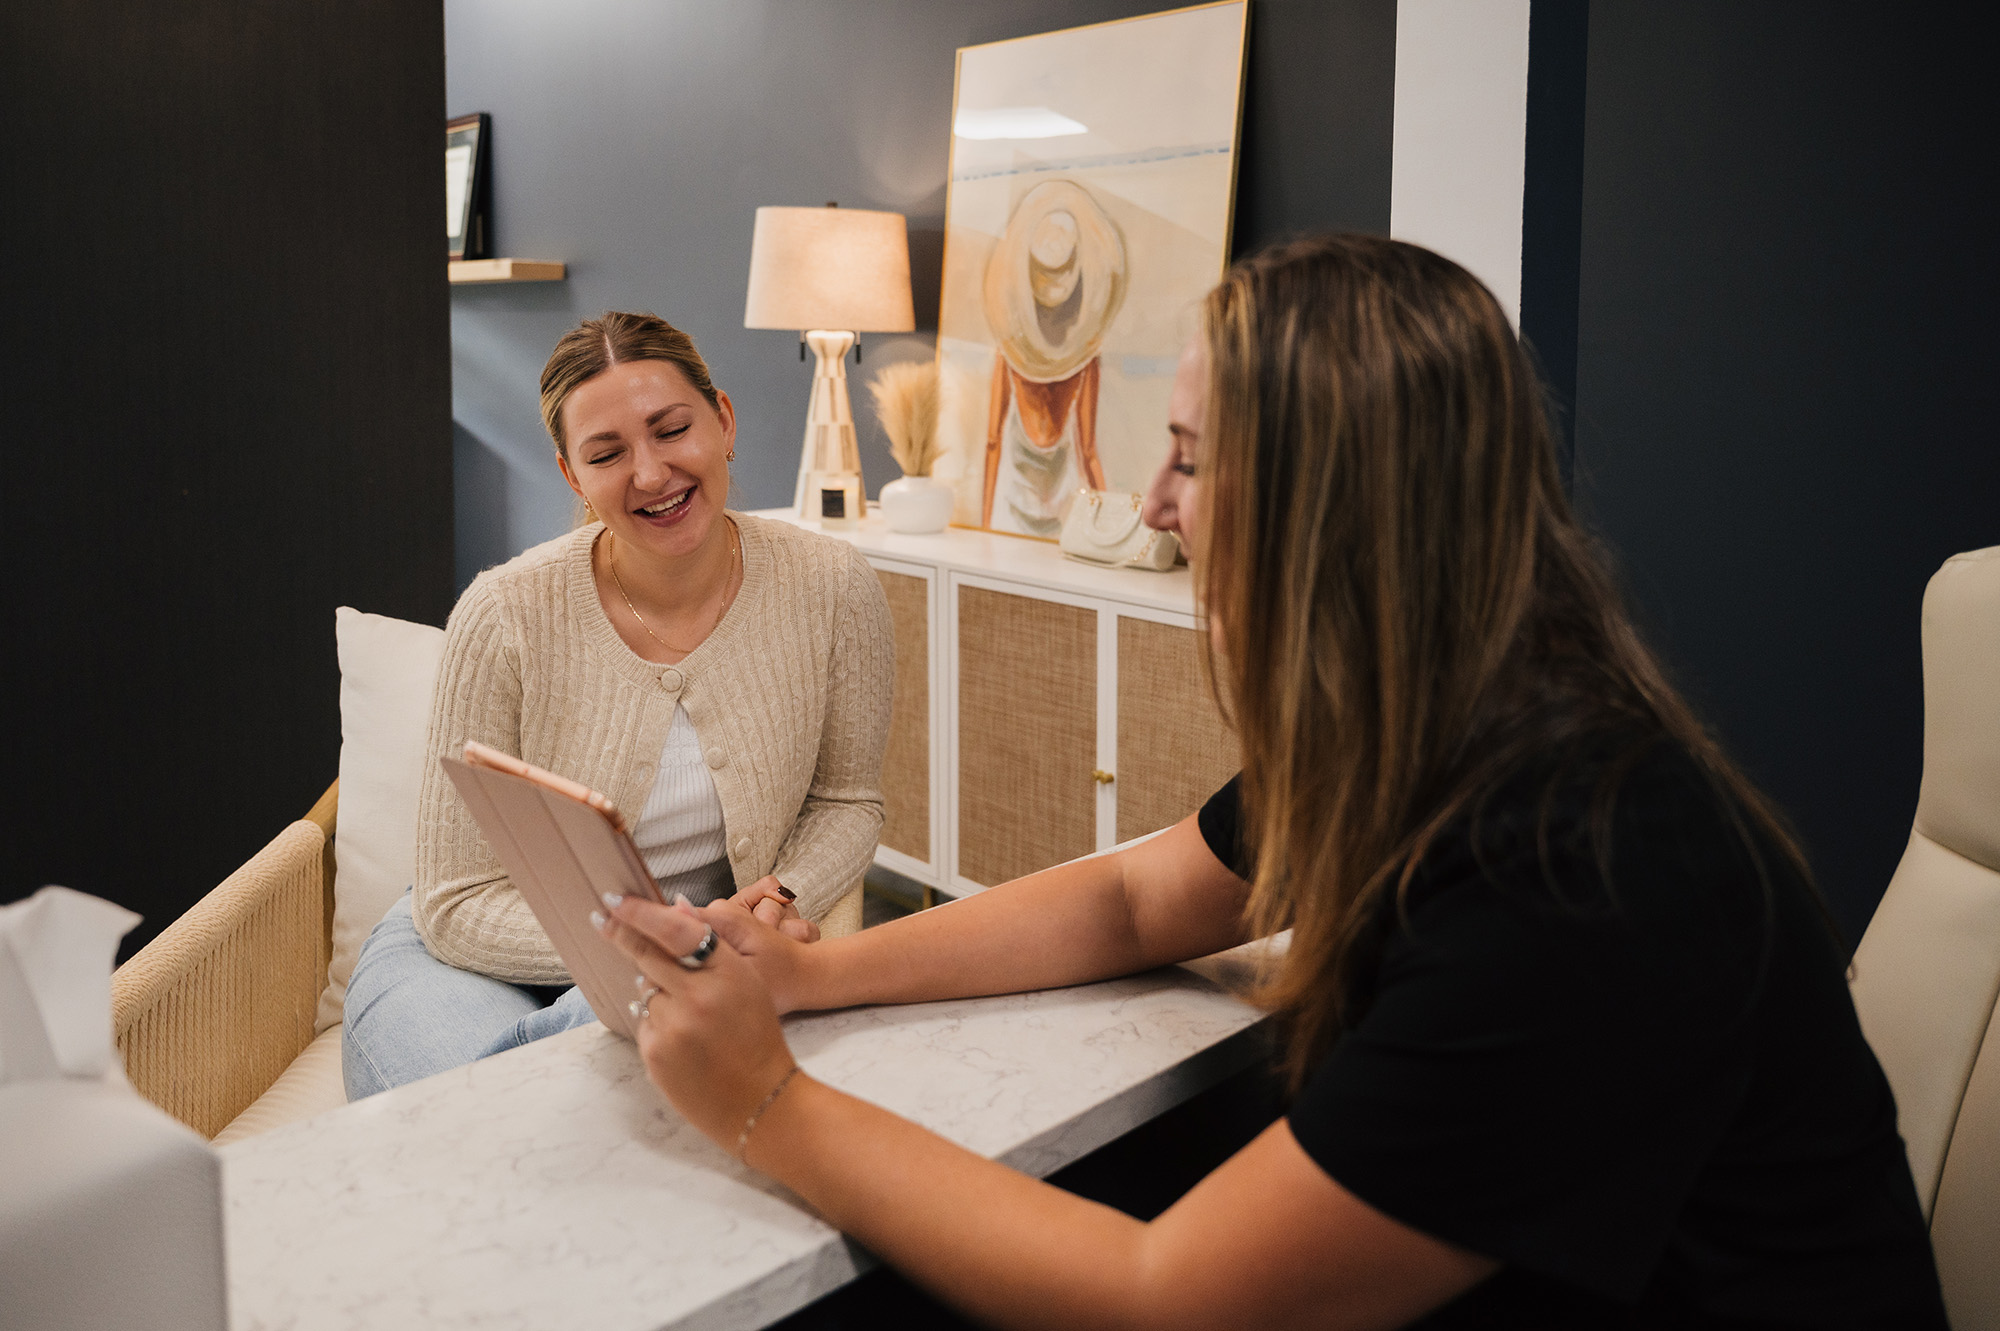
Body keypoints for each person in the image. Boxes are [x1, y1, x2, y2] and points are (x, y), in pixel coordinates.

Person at [596, 238, 1948, 1328]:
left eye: (1188, 451)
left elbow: (1166, 1297)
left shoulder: (1583, 862)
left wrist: (767, 1099)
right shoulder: (1429, 723)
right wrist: (812, 976)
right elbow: (1139, 895)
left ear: (1323, 501)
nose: (1161, 499)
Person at [342, 311, 893, 1101]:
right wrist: (672, 944)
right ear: (572, 475)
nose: (650, 473)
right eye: (606, 454)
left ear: (725, 420)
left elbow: (847, 798)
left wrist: (783, 895)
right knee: (497, 1111)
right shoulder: (503, 614)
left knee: (519, 1120)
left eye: (671, 430)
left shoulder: (833, 587)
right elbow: (453, 904)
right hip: (463, 963)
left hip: (683, 962)